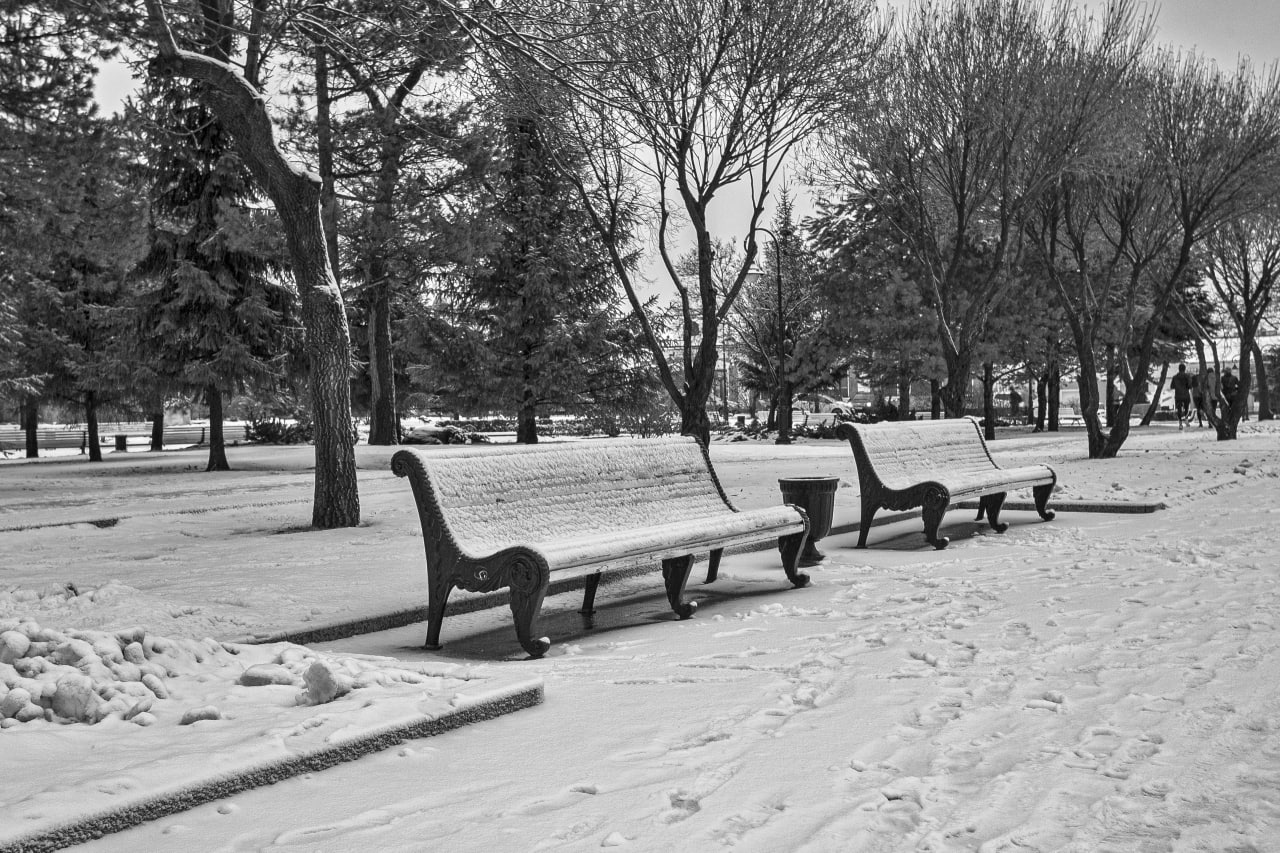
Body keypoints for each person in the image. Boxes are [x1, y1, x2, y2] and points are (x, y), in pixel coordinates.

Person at [1170, 363, 1193, 429]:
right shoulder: (1187, 376)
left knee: (1179, 409)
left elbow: (1172, 386)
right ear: (1184, 369)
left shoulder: (1175, 377)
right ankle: (1186, 420)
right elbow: (1190, 386)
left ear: (1179, 369)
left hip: (1178, 395)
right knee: (1186, 408)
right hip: (1186, 395)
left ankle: (1180, 423)